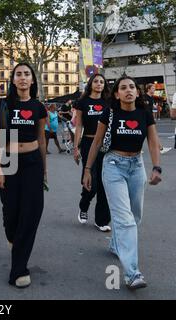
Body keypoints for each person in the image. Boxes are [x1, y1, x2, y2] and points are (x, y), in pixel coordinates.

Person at [83, 75, 162, 290]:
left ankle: (116, 244)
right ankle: (132, 273)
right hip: (113, 166)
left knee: (134, 216)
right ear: (117, 94)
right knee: (124, 218)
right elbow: (97, 142)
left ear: (137, 92)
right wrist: (88, 170)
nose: (129, 90)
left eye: (132, 87)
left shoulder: (144, 114)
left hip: (136, 166)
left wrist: (156, 167)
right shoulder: (109, 113)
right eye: (123, 87)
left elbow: (154, 142)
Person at [0, 62, 48, 289]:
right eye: (19, 74)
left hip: (33, 160)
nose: (23, 78)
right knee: (11, 213)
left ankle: (19, 269)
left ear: (32, 80)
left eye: (27, 74)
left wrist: (44, 169)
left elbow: (42, 139)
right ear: (13, 80)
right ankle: (14, 240)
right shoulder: (3, 105)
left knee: (32, 212)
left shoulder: (38, 107)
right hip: (9, 160)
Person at [73, 74, 112, 232]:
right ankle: (84, 205)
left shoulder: (108, 103)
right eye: (96, 81)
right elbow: (79, 126)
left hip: (106, 145)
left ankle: (101, 220)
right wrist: (76, 147)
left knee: (105, 184)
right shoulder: (83, 102)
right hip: (89, 144)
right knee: (91, 182)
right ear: (91, 84)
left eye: (102, 82)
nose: (99, 84)